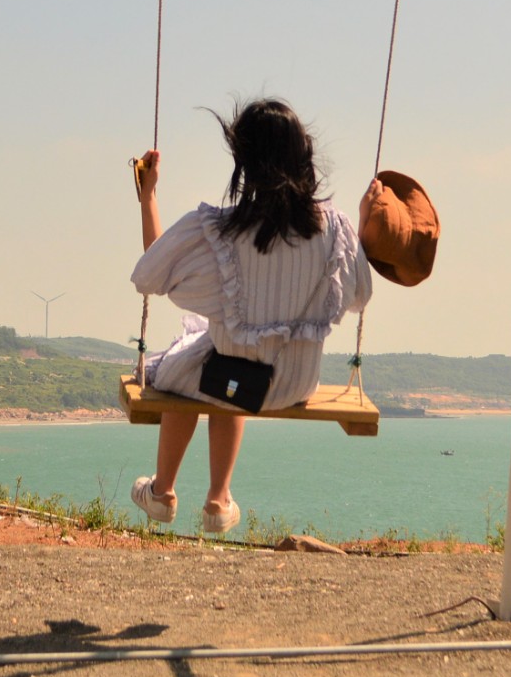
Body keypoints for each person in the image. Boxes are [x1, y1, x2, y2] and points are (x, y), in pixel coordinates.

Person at [128, 98, 376, 535]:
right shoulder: (336, 229)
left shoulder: (221, 232)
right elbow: (361, 295)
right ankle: (218, 499)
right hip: (296, 384)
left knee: (193, 362)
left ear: (245, 162)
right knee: (226, 356)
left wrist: (148, 197)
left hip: (235, 381)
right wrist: (363, 223)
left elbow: (149, 275)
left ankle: (163, 491)